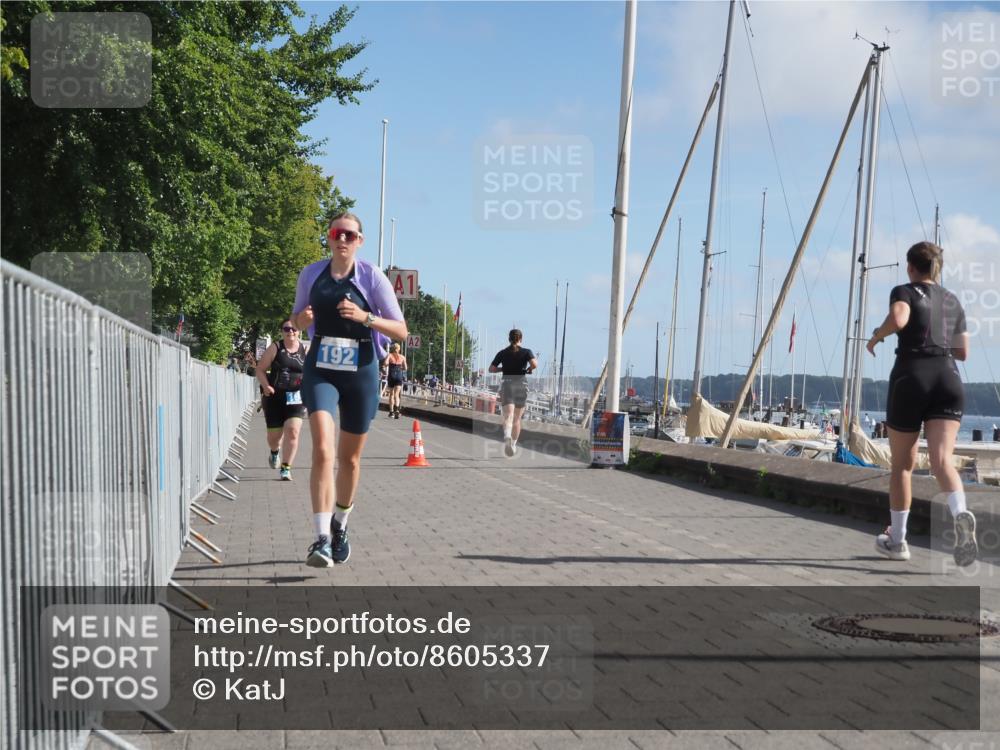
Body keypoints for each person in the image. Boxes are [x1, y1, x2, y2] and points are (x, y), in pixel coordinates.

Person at [292, 212, 407, 567]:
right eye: (336, 233)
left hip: (361, 369)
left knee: (350, 459)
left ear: (360, 240)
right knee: (324, 451)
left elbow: (401, 331)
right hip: (321, 368)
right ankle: (321, 538)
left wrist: (365, 317)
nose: (342, 239)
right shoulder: (311, 274)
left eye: (350, 234)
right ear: (328, 237)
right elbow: (294, 319)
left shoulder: (371, 277)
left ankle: (341, 524)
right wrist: (302, 322)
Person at [866, 241, 975, 566]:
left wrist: (876, 335)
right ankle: (961, 513)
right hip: (949, 378)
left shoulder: (905, 291)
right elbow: (963, 352)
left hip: (912, 377)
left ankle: (897, 541)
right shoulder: (953, 301)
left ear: (911, 267)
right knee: (942, 460)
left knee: (902, 465)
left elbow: (899, 319)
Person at [255, 321, 308, 480]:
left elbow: (313, 373)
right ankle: (274, 452)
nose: (290, 331)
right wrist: (266, 386)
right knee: (274, 438)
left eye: (294, 328)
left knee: (293, 431)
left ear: (299, 331)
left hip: (296, 398)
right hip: (274, 398)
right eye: (286, 328)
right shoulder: (276, 348)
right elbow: (260, 369)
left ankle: (286, 468)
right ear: (282, 331)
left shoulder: (306, 349)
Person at [489, 329, 537, 457]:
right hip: (521, 385)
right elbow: (534, 364)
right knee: (517, 419)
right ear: (521, 339)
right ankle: (513, 444)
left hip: (507, 384)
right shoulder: (527, 352)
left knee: (508, 416)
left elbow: (491, 369)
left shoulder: (503, 353)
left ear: (509, 339)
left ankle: (506, 436)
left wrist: (503, 368)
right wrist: (529, 369)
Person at [385, 342, 407, 419]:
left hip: (391, 375)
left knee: (391, 394)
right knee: (397, 394)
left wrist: (387, 365)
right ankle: (397, 409)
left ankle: (391, 412)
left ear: (392, 348)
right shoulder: (402, 357)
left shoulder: (390, 355)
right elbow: (405, 368)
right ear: (399, 349)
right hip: (399, 376)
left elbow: (385, 363)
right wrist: (400, 368)